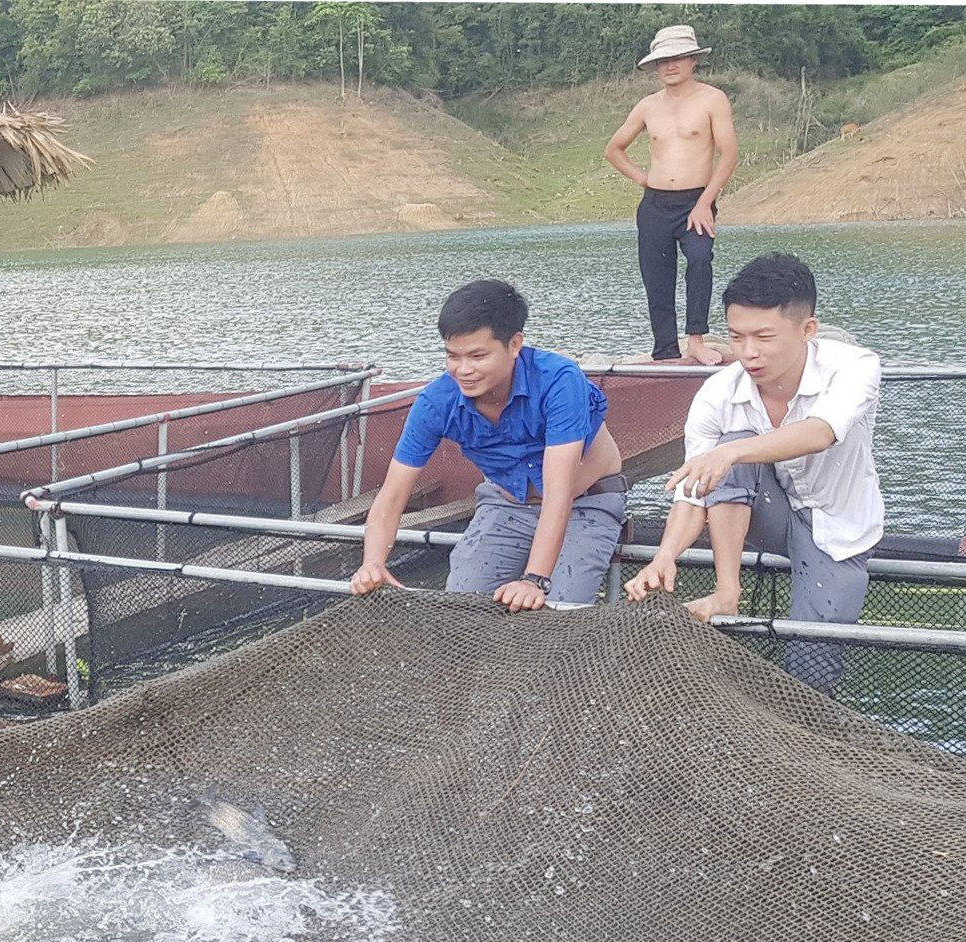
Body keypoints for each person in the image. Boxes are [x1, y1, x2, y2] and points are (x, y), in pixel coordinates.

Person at [624, 253, 882, 694]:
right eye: (737, 337)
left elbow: (821, 432)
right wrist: (665, 556)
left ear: (807, 330)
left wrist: (731, 454)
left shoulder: (855, 367)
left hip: (839, 528)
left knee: (812, 670)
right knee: (726, 453)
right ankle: (728, 590)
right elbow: (692, 491)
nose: (748, 353)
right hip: (764, 514)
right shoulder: (717, 393)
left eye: (764, 336)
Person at [351, 280, 628, 611]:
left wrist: (534, 580)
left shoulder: (559, 380)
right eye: (453, 356)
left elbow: (558, 492)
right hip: (506, 505)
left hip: (585, 503)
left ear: (514, 345)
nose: (463, 370)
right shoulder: (437, 401)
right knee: (463, 601)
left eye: (477, 356)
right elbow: (392, 494)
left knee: (560, 609)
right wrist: (373, 562)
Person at [604, 25, 738, 366]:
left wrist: (705, 202)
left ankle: (696, 339)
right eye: (663, 60)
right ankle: (664, 350)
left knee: (699, 259)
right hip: (655, 205)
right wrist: (644, 179)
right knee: (657, 277)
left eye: (677, 57)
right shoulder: (648, 106)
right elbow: (614, 149)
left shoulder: (712, 99)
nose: (670, 66)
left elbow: (729, 154)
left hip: (696, 201)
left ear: (693, 59)